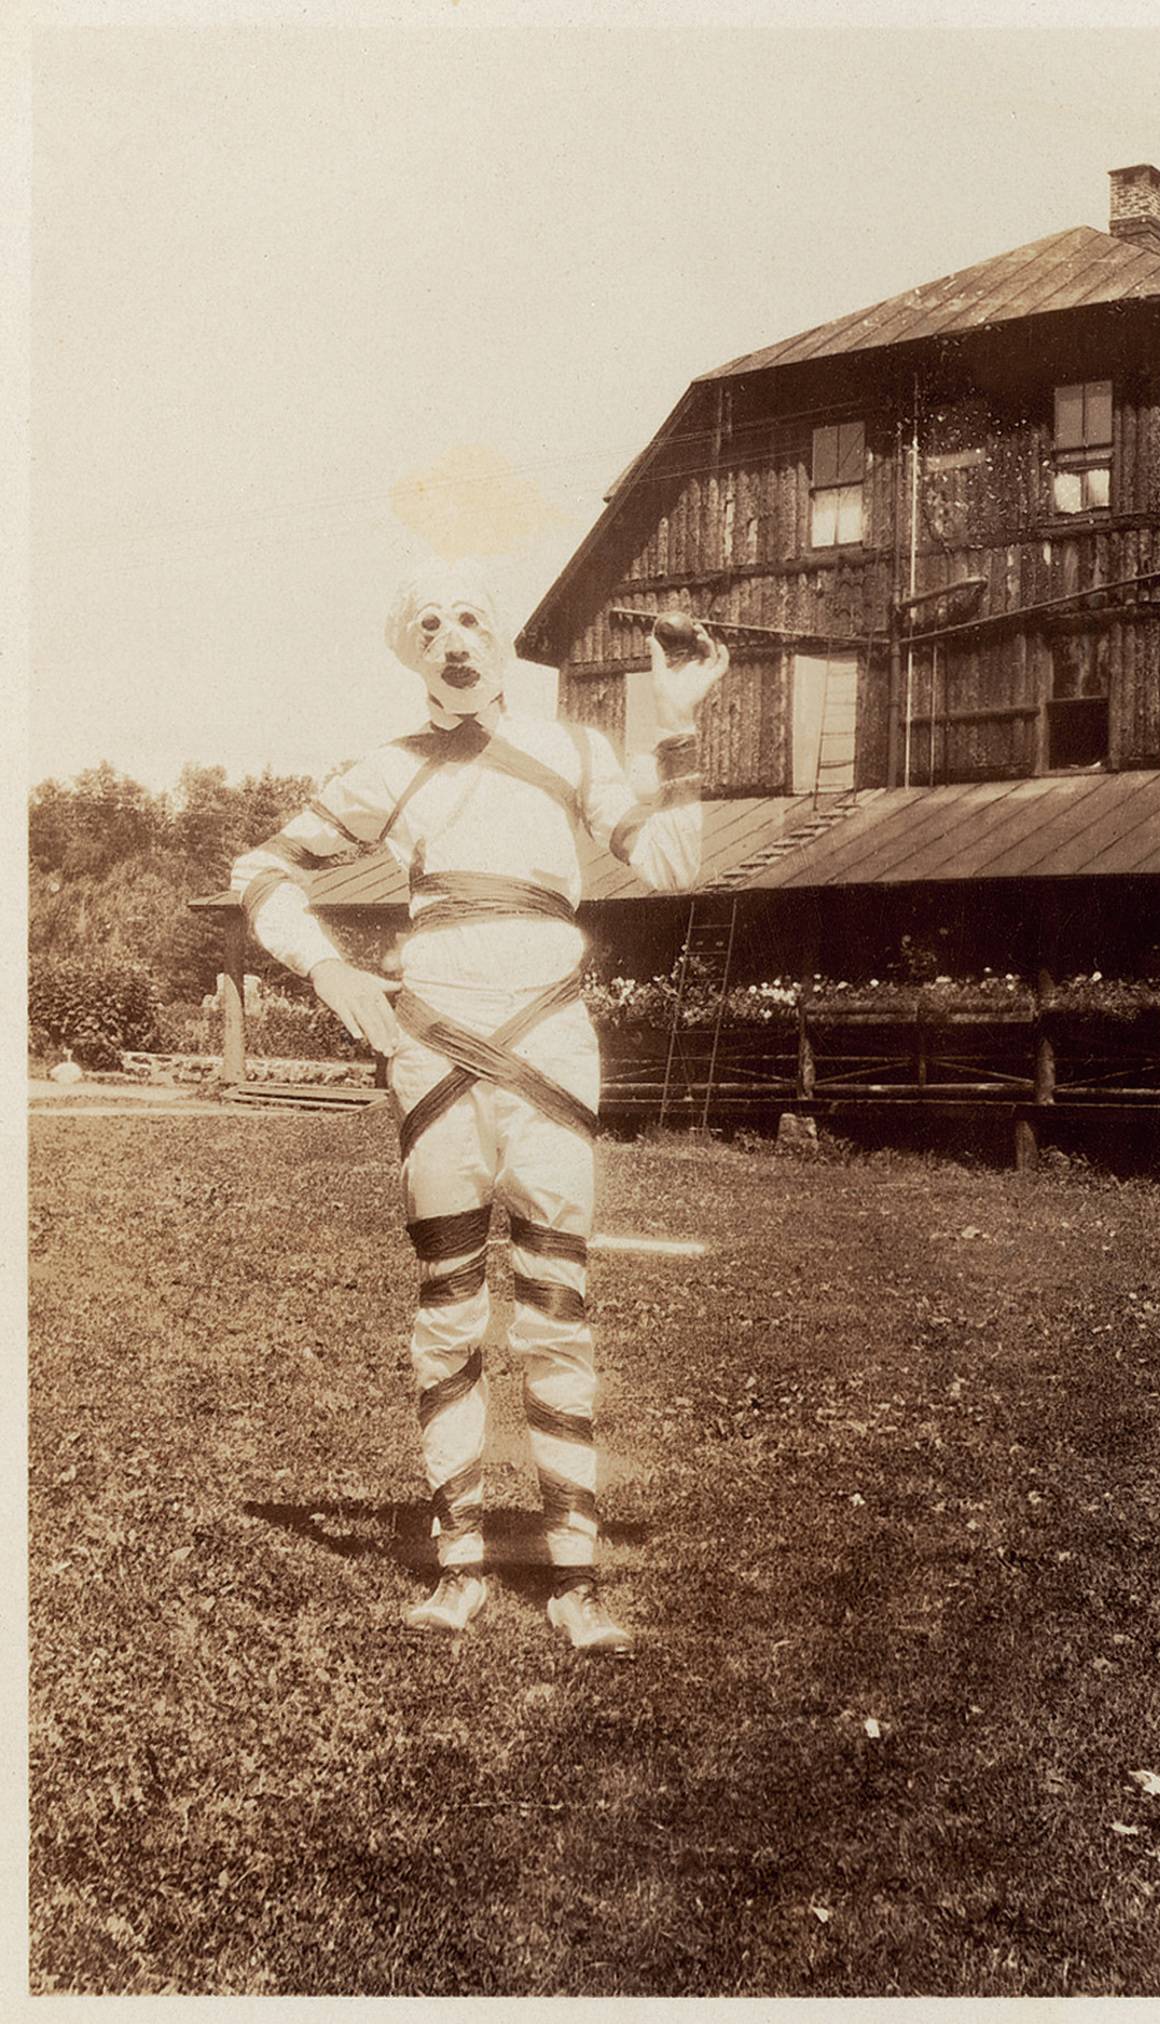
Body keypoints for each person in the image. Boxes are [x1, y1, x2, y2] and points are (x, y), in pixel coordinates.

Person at [229, 564, 726, 1653]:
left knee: (557, 1299)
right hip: (434, 1045)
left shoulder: (573, 748)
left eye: (472, 619)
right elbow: (260, 867)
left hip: (549, 1039)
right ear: (411, 653)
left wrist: (676, 723)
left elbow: (672, 861)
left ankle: (575, 1576)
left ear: (501, 641)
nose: (454, 639)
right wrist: (328, 968)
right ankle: (458, 1560)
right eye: (430, 625)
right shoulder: (388, 769)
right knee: (449, 1301)